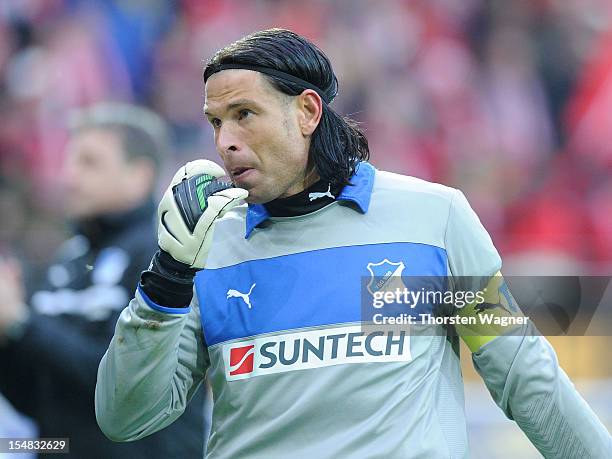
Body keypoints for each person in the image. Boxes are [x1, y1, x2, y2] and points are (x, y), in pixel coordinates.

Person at [95, 29, 612, 458]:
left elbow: (524, 373)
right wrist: (166, 279)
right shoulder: (206, 249)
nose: (224, 141)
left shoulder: (432, 219)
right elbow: (125, 418)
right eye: (215, 122)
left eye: (244, 114)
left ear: (307, 111)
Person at [0, 103, 207, 458]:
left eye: (89, 162)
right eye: (69, 162)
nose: (69, 177)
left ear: (139, 175)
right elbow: (40, 399)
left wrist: (21, 321)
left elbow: (123, 383)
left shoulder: (166, 260)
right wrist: (6, 335)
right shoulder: (68, 259)